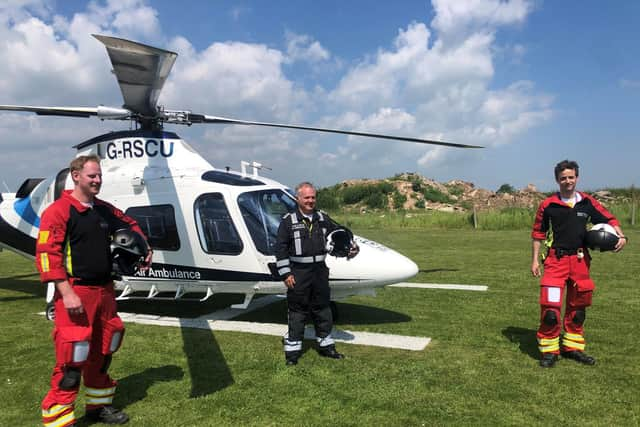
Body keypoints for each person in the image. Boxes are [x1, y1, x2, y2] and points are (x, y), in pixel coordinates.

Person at [36, 155, 152, 426]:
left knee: (103, 352)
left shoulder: (103, 209)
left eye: (99, 176)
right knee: (72, 359)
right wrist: (66, 292)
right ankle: (58, 417)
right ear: (76, 176)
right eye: (92, 176)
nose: (98, 180)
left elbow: (129, 225)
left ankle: (97, 407)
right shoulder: (59, 211)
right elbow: (46, 255)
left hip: (105, 292)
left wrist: (144, 247)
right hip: (76, 293)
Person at [530, 160, 626, 368]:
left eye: (571, 177)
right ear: (557, 180)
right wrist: (535, 260)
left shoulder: (587, 202)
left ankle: (573, 348)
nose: (567, 181)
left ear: (577, 178)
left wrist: (621, 236)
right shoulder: (548, 205)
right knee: (550, 310)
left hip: (581, 262)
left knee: (578, 309)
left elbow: (609, 218)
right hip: (556, 261)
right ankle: (549, 351)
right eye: (563, 178)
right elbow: (538, 233)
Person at [275, 182, 359, 365]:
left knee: (323, 309)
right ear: (298, 198)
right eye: (306, 197)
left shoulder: (323, 218)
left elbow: (338, 237)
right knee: (298, 311)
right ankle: (292, 352)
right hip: (298, 272)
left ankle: (326, 346)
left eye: (313, 197)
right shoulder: (288, 221)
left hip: (319, 271)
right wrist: (286, 273)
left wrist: (351, 249)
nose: (310, 201)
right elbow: (280, 249)